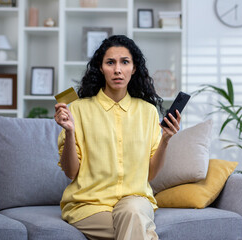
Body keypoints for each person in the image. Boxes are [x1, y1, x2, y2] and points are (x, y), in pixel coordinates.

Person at [54, 35, 181, 240]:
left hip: (136, 201)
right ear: (101, 68)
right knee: (136, 227)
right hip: (89, 206)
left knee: (132, 213)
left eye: (125, 62)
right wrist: (69, 132)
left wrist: (165, 140)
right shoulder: (78, 110)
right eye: (110, 63)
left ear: (134, 68)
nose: (117, 70)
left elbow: (149, 175)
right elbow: (71, 172)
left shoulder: (148, 112)